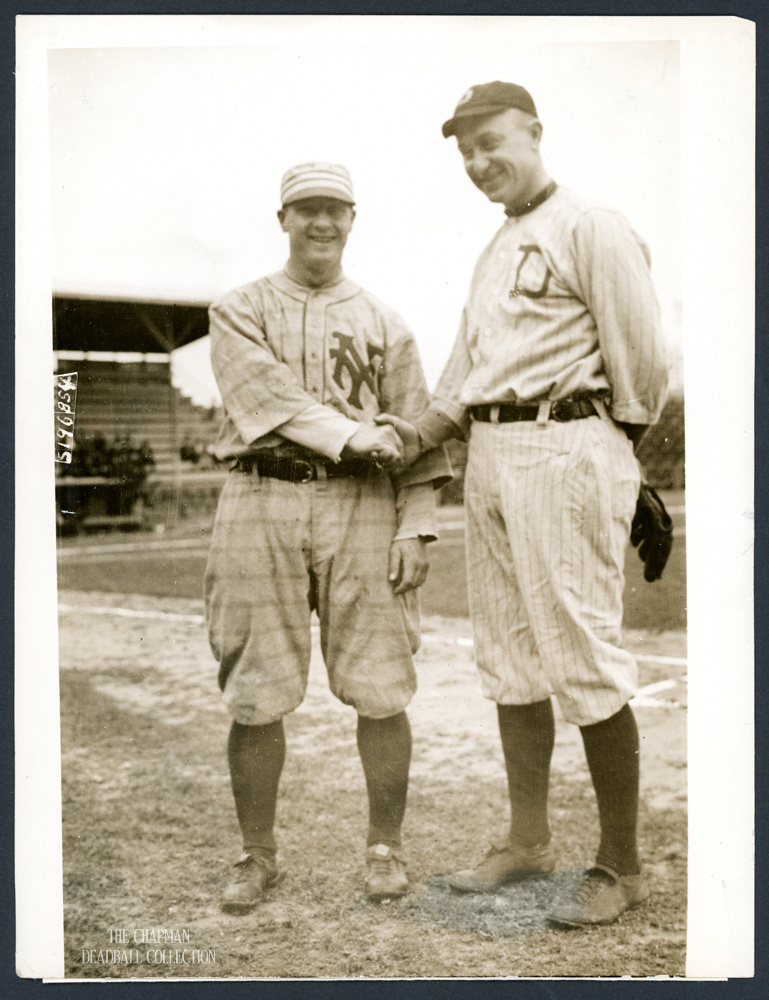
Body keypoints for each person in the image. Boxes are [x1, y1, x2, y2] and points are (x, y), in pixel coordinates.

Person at [377, 82, 670, 927]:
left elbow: (642, 365)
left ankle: (619, 864)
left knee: (580, 648)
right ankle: (528, 840)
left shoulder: (591, 224)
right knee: (507, 655)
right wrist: (407, 435)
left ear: (534, 132)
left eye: (491, 142)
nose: (478, 163)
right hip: (492, 455)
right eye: (465, 152)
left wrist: (611, 459)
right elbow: (464, 375)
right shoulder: (495, 246)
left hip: (564, 439)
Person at [204, 162, 451, 913]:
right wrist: (356, 437)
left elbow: (419, 442)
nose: (321, 222)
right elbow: (271, 402)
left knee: (381, 686)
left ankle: (384, 847)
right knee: (254, 690)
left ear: (353, 218)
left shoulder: (386, 322)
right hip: (261, 494)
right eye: (305, 208)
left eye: (334, 209)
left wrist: (415, 524)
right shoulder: (238, 309)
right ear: (281, 217)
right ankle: (256, 855)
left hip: (363, 507)